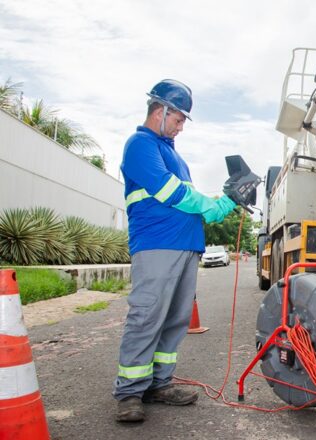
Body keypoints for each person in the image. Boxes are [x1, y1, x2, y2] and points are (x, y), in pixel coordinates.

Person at [114, 79, 237, 423]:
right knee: (147, 315)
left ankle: (159, 383)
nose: (181, 127)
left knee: (175, 319)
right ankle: (129, 391)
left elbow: (189, 202)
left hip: (185, 246)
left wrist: (224, 200)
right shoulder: (140, 144)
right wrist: (216, 206)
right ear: (161, 110)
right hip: (156, 244)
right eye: (179, 119)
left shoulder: (173, 154)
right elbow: (171, 193)